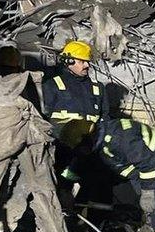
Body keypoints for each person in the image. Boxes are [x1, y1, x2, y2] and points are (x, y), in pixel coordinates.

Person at [95, 117, 155, 232]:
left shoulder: (119, 139)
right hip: (137, 161)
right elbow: (121, 168)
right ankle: (151, 228)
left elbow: (148, 164)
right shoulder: (101, 142)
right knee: (145, 201)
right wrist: (140, 185)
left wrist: (148, 192)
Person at [42, 40, 109, 182]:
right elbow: (42, 119)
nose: (87, 65)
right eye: (82, 61)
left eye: (88, 62)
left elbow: (105, 119)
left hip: (90, 150)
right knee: (61, 185)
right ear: (69, 61)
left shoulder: (97, 88)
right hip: (61, 150)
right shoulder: (52, 85)